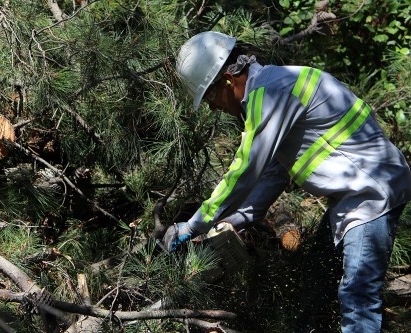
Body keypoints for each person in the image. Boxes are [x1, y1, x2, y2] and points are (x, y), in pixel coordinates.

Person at [162, 31, 411, 333]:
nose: (213, 107)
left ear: (228, 81)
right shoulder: (270, 92)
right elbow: (272, 174)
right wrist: (236, 220)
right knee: (316, 286)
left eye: (210, 97)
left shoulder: (271, 93)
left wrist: (194, 225)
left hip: (370, 195)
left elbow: (245, 170)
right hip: (352, 196)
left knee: (357, 297)